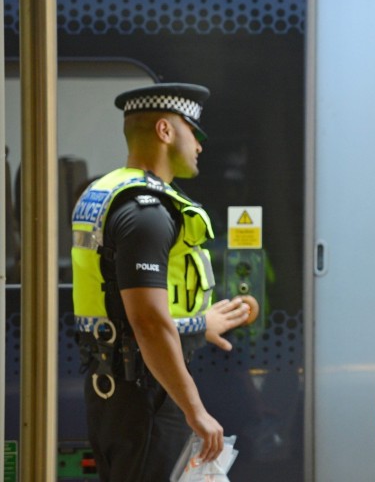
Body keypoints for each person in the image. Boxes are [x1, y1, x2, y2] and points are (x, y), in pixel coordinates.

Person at [70, 82, 252, 481]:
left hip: (114, 387)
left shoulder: (105, 191)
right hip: (146, 392)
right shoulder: (146, 211)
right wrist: (195, 410)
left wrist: (199, 324)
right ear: (165, 131)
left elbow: (121, 310)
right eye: (195, 132)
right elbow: (148, 322)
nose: (201, 145)